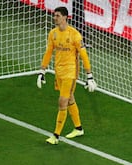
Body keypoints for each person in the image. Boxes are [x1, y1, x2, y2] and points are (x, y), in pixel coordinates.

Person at [37, 6, 97, 145]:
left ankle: (55, 136)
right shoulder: (53, 34)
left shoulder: (75, 35)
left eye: (57, 15)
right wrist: (42, 71)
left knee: (62, 101)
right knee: (70, 99)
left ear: (65, 17)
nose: (55, 18)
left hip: (70, 72)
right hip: (59, 71)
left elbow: (83, 55)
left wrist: (89, 75)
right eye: (54, 15)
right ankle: (79, 128)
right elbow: (48, 52)